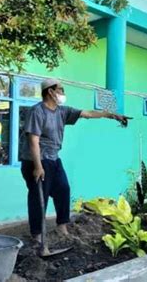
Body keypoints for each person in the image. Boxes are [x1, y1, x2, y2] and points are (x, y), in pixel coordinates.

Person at [19, 78, 131, 249]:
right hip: (36, 160)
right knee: (38, 197)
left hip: (53, 159)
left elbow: (88, 113)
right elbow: (33, 140)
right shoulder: (37, 112)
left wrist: (111, 115)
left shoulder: (62, 111)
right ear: (51, 91)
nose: (63, 93)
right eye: (61, 90)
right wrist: (38, 166)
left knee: (63, 189)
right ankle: (37, 235)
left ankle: (62, 227)